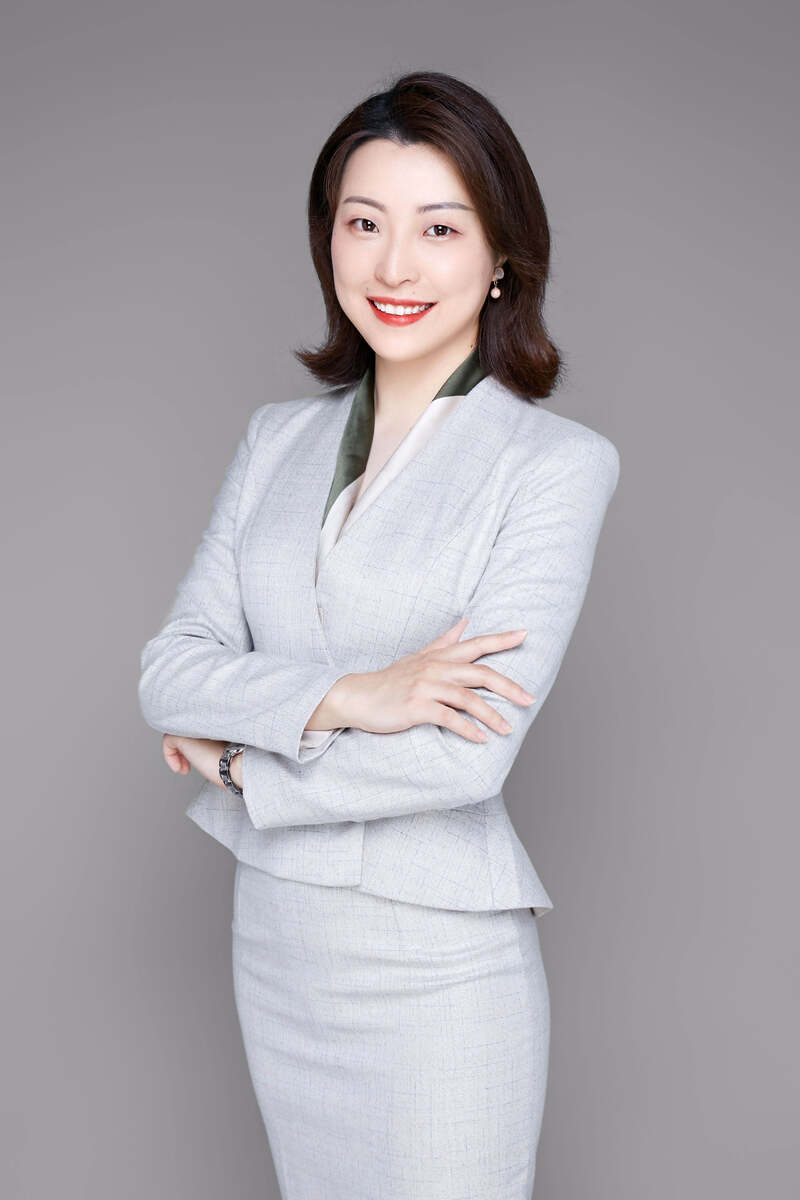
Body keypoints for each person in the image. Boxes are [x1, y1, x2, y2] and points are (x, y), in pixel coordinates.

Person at [138, 70, 620, 1200]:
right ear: (329, 242)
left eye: (438, 229)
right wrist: (354, 694)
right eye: (364, 224)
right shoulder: (275, 440)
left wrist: (240, 767)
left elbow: (462, 758)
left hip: (436, 966)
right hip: (277, 952)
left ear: (499, 256)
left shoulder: (552, 466)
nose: (393, 266)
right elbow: (170, 670)